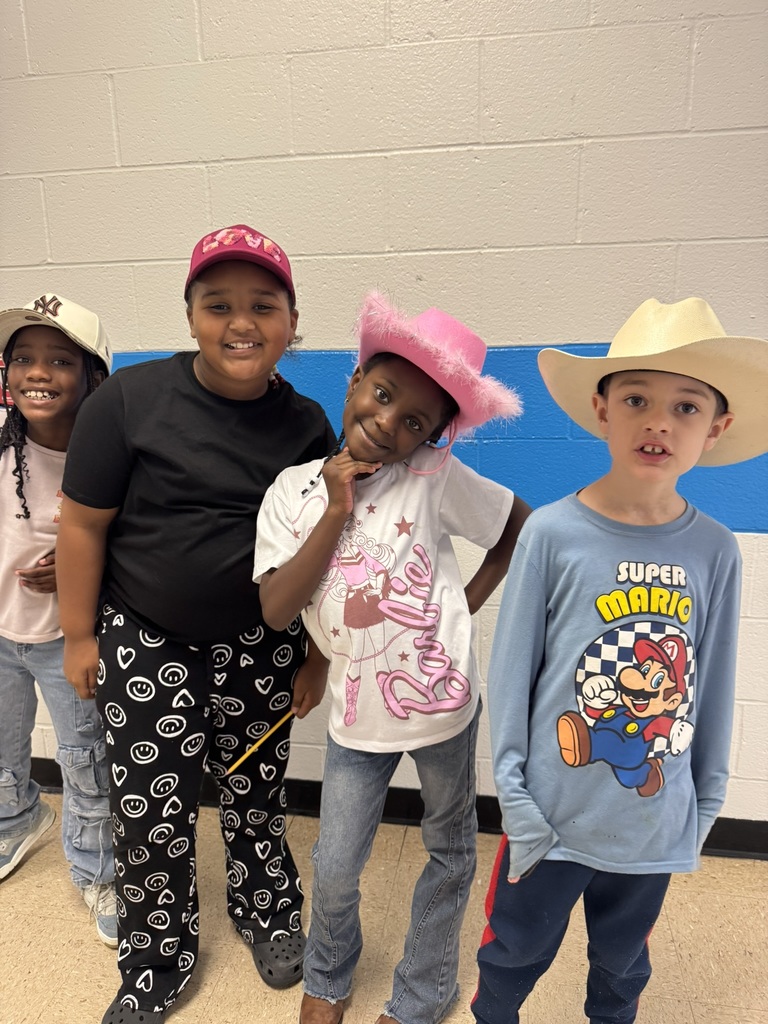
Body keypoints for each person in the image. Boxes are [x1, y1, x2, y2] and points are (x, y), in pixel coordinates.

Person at [55, 225, 337, 1024]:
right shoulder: (127, 403)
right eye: (218, 305)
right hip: (146, 639)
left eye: (262, 305)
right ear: (190, 317)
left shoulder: (309, 425)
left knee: (255, 790)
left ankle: (268, 910)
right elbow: (82, 526)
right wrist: (80, 635)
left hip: (262, 646)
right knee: (150, 804)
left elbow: (328, 554)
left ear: (290, 321)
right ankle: (158, 958)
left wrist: (313, 658)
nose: (240, 321)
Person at [472, 297, 768, 1024]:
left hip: (651, 826)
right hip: (549, 819)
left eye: (686, 406)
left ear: (717, 427)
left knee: (622, 967)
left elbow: (715, 683)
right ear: (603, 409)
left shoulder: (715, 550)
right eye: (637, 398)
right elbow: (512, 677)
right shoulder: (551, 533)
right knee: (511, 956)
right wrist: (518, 803)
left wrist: (701, 809)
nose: (659, 421)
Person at [254, 291, 532, 1024]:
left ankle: (424, 992)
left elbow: (516, 527)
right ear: (353, 383)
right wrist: (338, 507)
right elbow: (282, 607)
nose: (388, 423)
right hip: (356, 717)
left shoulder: (432, 482)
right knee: (336, 865)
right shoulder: (292, 493)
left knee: (449, 852)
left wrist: (461, 607)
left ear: (433, 437)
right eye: (382, 396)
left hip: (443, 709)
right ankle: (328, 978)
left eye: (415, 422)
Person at [0, 293, 116, 946]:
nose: (37, 372)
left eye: (59, 360)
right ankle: (17, 819)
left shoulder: (105, 459)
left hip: (62, 642)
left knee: (84, 759)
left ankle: (98, 869)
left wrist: (77, 567)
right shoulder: (2, 446)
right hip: (1, 634)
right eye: (22, 358)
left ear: (90, 376)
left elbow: (129, 544)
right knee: (2, 745)